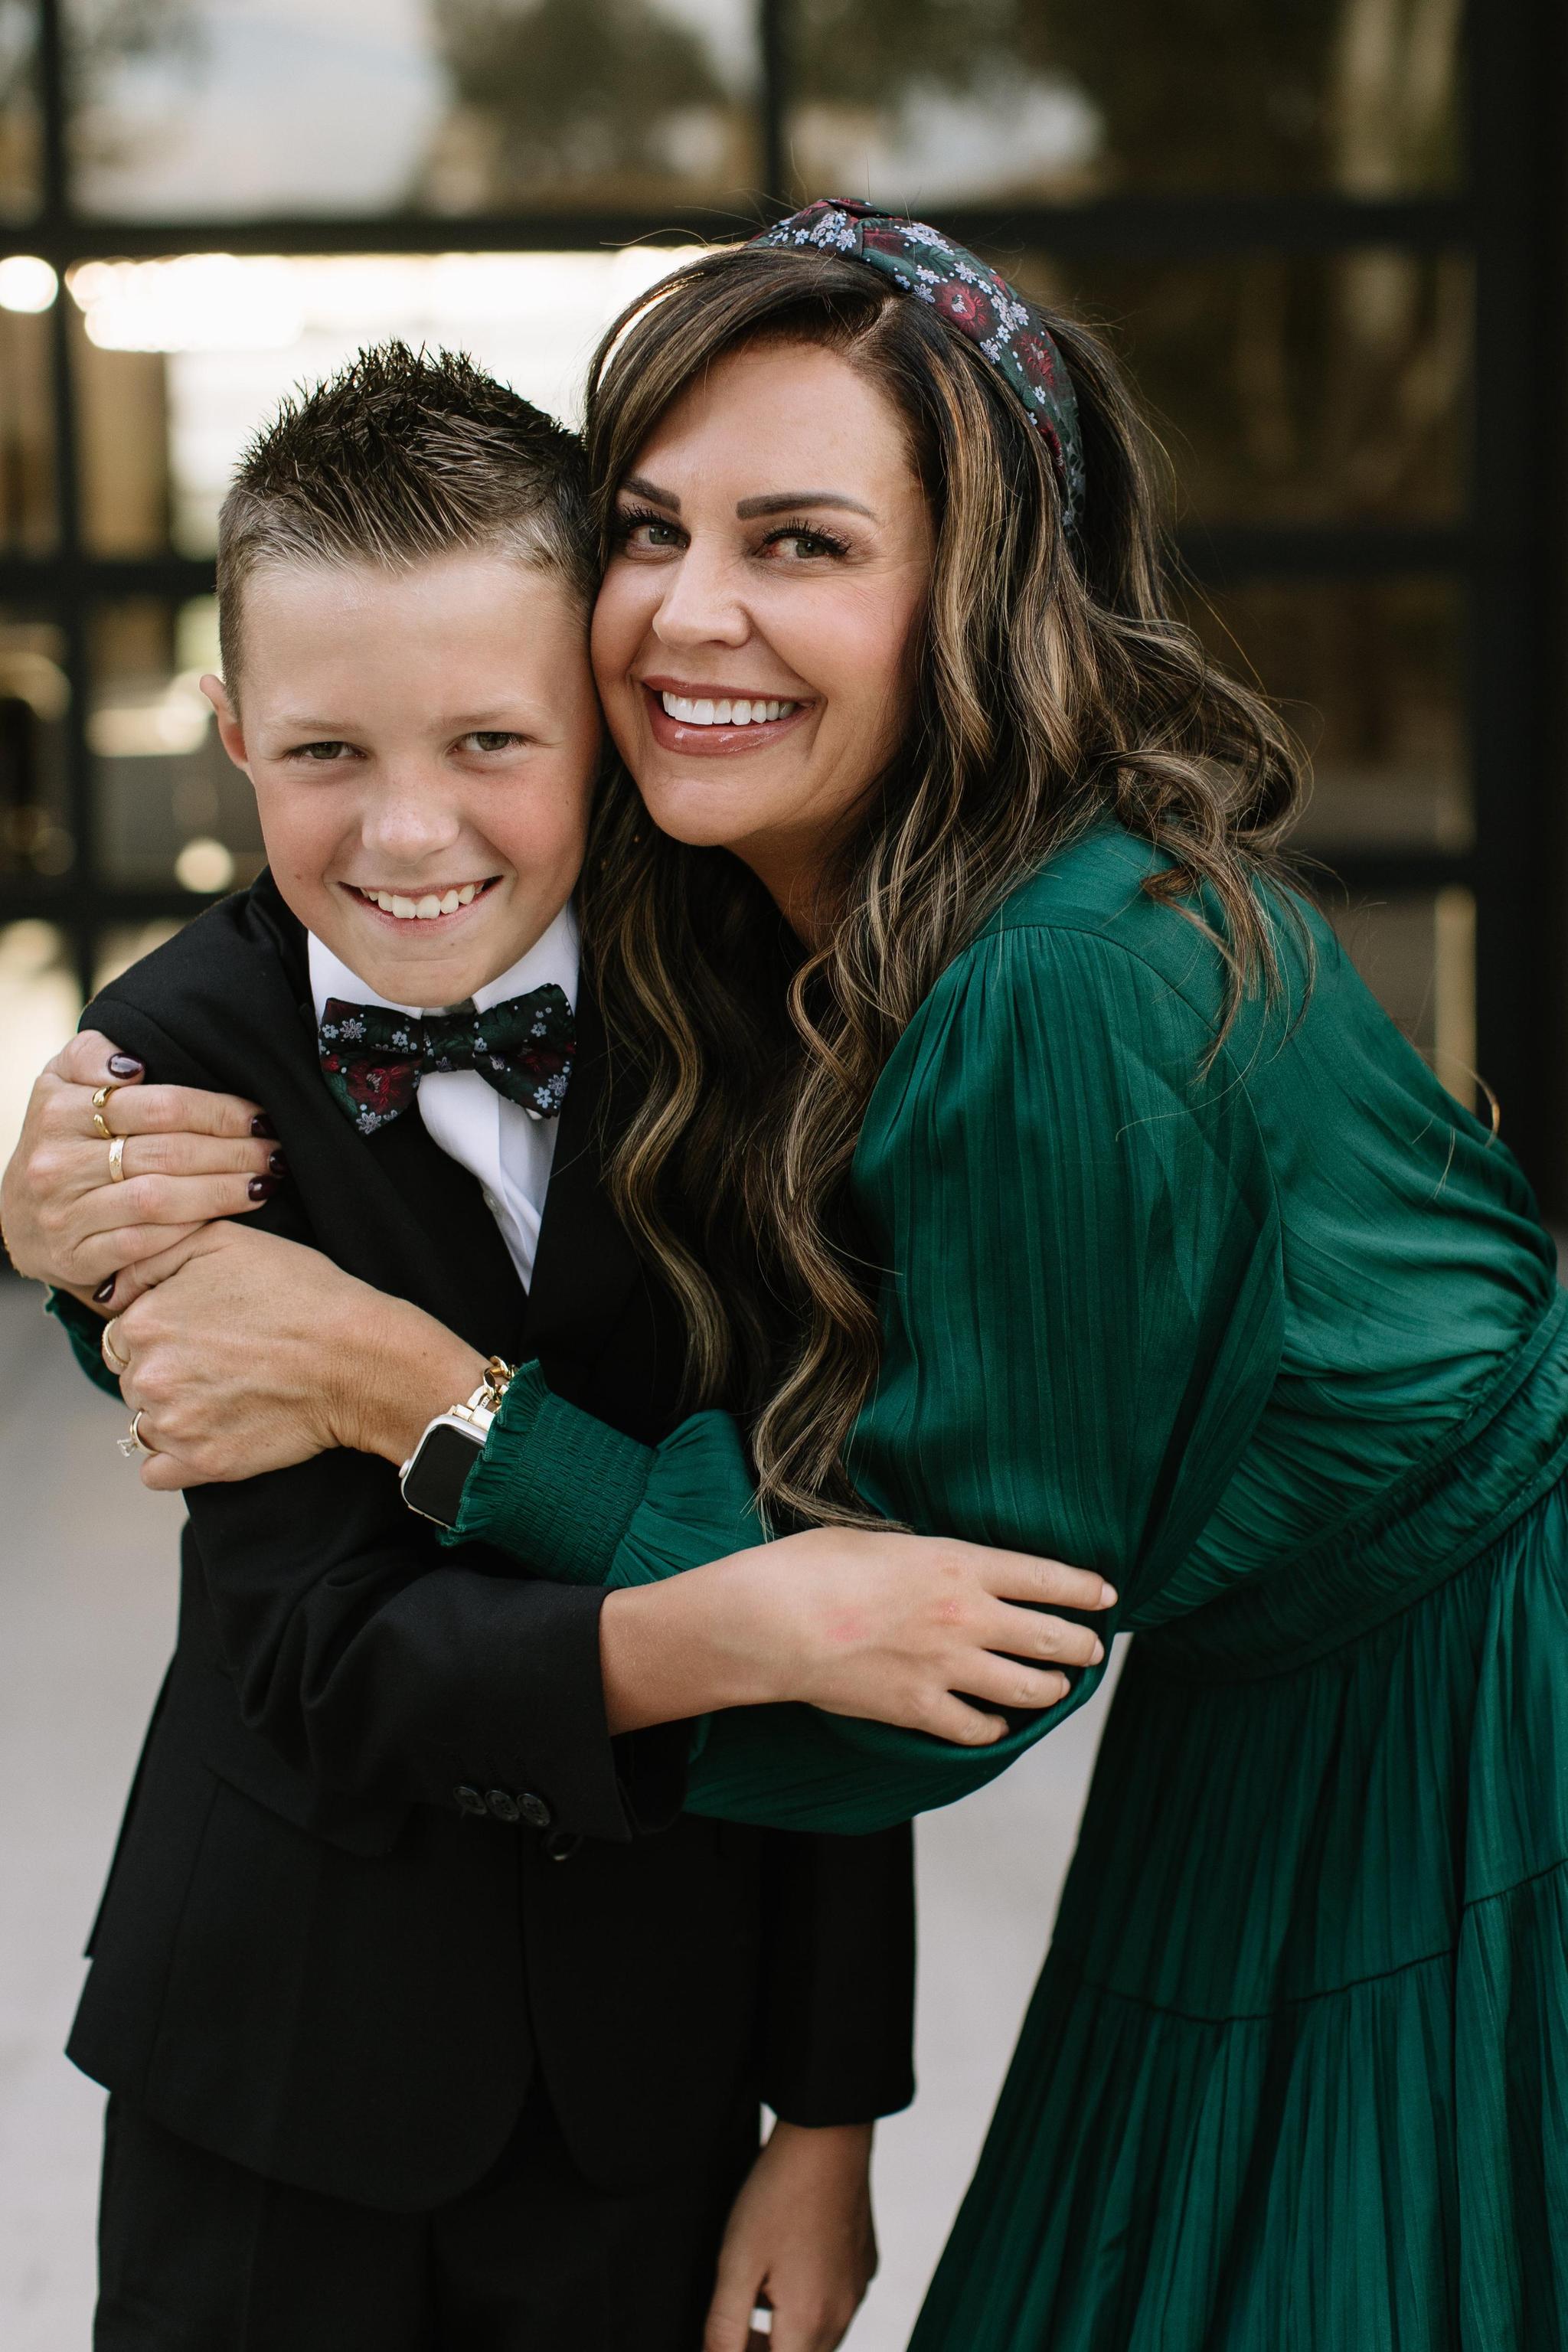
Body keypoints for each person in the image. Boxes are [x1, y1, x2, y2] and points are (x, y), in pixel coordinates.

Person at [18, 194, 1556, 2347]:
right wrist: (82, 1234)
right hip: (282, 2069)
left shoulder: (1013, 994)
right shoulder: (733, 919)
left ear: (966, 586)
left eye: (804, 542)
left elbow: (894, 1635)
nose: (689, 615)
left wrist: (432, 1406)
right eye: (649, 530)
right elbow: (257, 1382)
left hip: (1437, 1731)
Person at [1, 341, 1112, 2352]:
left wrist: (830, 2114)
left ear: (604, 727)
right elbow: (319, 1652)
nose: (411, 833)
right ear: (234, 732)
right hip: (274, 2065)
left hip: (649, 2073)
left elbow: (826, 1538)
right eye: (328, 753)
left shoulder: (771, 1027)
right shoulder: (168, 1084)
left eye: (491, 744)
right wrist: (750, 1630)